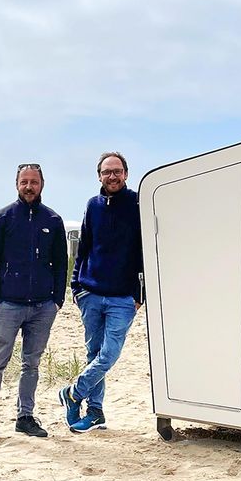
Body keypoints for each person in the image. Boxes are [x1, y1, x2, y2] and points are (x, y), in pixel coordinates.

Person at [0, 163, 68, 444]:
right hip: (7, 306)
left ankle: (25, 418)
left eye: (34, 182)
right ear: (16, 184)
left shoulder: (53, 220)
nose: (29, 187)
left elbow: (61, 263)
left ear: (42, 185)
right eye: (24, 182)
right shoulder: (3, 218)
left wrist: (57, 300)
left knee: (31, 365)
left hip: (42, 307)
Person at [59, 151, 143, 433]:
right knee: (93, 354)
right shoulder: (92, 205)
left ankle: (73, 393)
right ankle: (95, 412)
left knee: (108, 354)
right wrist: (76, 286)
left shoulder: (137, 203)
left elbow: (146, 251)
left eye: (117, 171)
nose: (112, 176)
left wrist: (139, 294)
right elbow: (83, 248)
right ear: (99, 176)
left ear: (126, 174)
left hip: (122, 297)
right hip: (91, 293)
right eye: (107, 172)